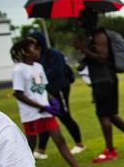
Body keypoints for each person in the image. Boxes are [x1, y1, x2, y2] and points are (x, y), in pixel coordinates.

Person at [10, 39, 101, 167]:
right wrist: (39, 106)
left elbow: (41, 89)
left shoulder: (38, 67)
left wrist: (52, 100)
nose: (39, 50)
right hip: (31, 115)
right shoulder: (19, 70)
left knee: (60, 139)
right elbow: (18, 94)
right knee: (30, 147)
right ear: (25, 52)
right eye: (35, 48)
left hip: (45, 112)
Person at [73, 9, 124, 163]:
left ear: (89, 20)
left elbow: (102, 57)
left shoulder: (99, 35)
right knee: (110, 114)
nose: (79, 22)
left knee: (104, 115)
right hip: (100, 79)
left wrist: (81, 48)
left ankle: (110, 150)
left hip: (104, 80)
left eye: (81, 19)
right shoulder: (91, 36)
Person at [32, 31, 86, 159]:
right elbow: (36, 78)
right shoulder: (35, 59)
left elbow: (57, 71)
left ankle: (79, 144)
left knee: (64, 115)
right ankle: (41, 150)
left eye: (33, 42)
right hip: (46, 92)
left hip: (59, 88)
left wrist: (40, 75)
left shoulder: (54, 54)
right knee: (45, 116)